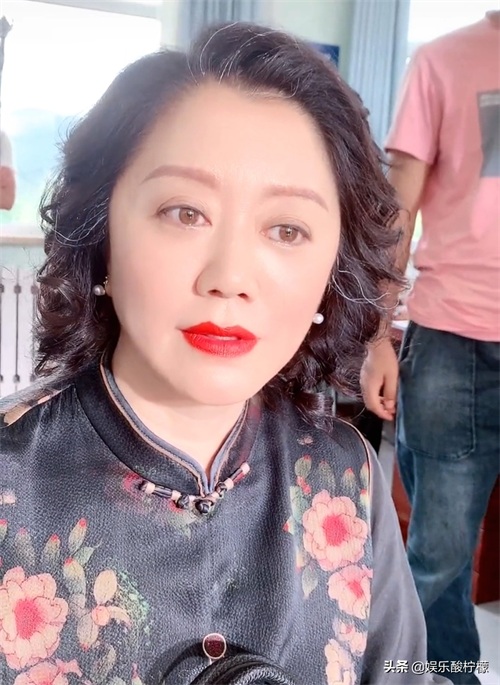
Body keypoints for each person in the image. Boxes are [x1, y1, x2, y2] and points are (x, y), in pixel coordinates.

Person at [0, 23, 451, 685]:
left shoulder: (344, 473)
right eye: (184, 213)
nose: (230, 276)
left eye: (287, 228)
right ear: (102, 234)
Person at [361, 11, 500, 685]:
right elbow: (398, 210)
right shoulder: (443, 60)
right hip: (455, 341)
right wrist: (375, 338)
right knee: (438, 556)